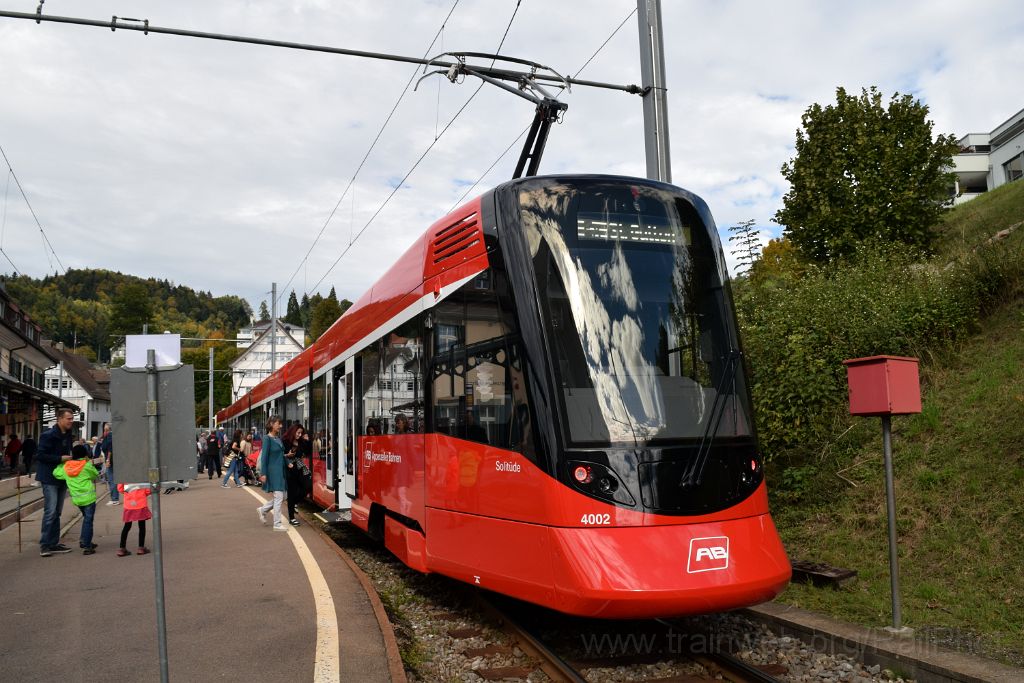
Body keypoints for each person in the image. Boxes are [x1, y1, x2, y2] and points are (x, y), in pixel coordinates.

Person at [36, 408, 75, 557]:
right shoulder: (48, 435)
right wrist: (60, 458)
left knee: (57, 512)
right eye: (68, 419)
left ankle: (54, 543)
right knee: (50, 511)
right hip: (49, 478)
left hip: (61, 477)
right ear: (60, 419)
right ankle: (45, 545)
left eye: (72, 418)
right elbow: (40, 455)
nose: (71, 421)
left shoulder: (68, 435)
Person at [53, 443, 100, 554]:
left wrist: (62, 464)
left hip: (77, 500)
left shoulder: (66, 467)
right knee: (88, 520)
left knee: (86, 519)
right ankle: (87, 546)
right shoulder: (86, 465)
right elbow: (95, 475)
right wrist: (88, 462)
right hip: (89, 498)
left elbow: (55, 473)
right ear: (84, 454)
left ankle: (86, 540)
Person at [256, 416, 288, 531]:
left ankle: (263, 510)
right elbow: (264, 457)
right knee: (279, 496)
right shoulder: (267, 438)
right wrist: (263, 473)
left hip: (280, 471)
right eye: (279, 424)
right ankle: (277, 524)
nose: (281, 426)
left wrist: (288, 461)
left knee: (284, 496)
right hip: (272, 471)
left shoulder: (277, 439)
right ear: (272, 424)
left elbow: (281, 454)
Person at [116, 482, 152, 556]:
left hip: (129, 503)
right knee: (142, 526)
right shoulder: (141, 472)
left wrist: (128, 494)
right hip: (140, 502)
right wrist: (144, 493)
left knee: (127, 526)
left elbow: (120, 488)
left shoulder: (124, 474)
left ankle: (122, 548)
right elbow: (148, 488)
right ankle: (141, 548)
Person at [282, 424, 308, 526]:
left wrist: (307, 441)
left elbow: (305, 452)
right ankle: (292, 518)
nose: (300, 435)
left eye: (301, 433)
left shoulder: (301, 442)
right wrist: (286, 455)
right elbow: (279, 455)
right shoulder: (285, 441)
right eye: (298, 433)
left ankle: (294, 503)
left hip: (299, 467)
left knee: (307, 486)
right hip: (289, 468)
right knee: (291, 492)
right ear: (293, 431)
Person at [99, 423, 120, 506]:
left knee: (112, 480)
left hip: (111, 461)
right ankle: (114, 498)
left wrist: (108, 460)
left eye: (106, 429)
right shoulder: (109, 436)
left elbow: (110, 449)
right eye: (104, 429)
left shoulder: (110, 436)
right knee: (112, 480)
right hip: (112, 460)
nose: (104, 431)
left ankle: (114, 499)